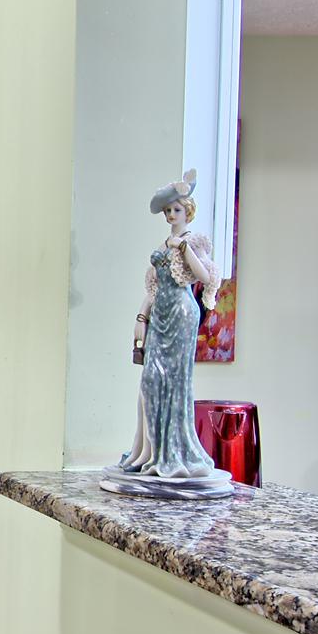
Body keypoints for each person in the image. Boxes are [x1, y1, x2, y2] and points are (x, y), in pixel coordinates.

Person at [118, 171, 223, 481]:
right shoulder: (164, 246)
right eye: (167, 210)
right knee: (150, 380)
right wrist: (141, 317)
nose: (171, 215)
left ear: (187, 211)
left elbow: (204, 277)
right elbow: (154, 288)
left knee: (174, 382)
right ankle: (147, 450)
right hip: (161, 314)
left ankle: (171, 451)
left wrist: (183, 248)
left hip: (181, 314)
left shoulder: (191, 242)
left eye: (176, 209)